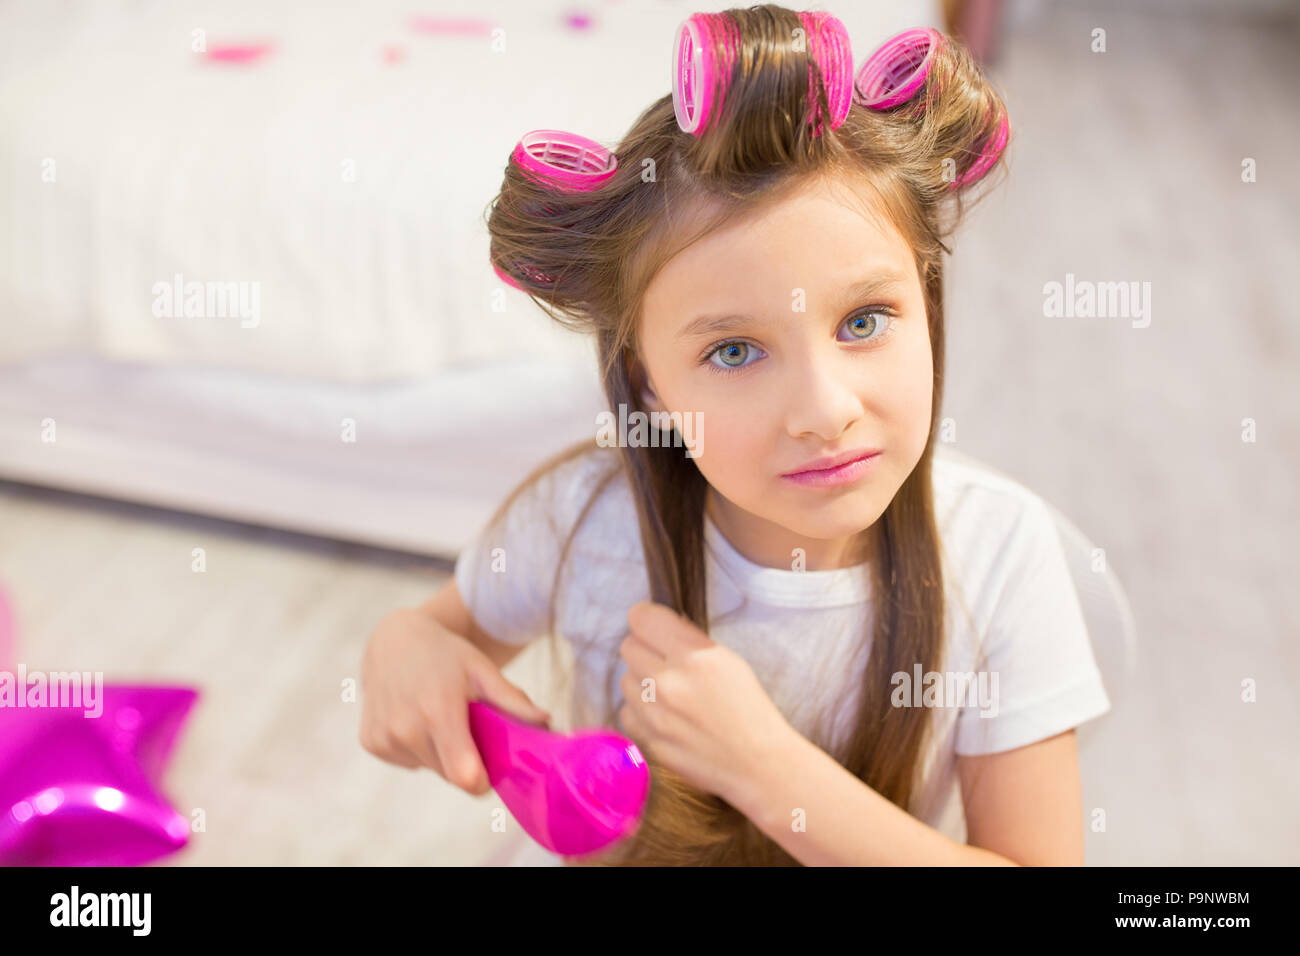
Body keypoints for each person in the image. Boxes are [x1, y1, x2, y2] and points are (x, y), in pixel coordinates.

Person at [361, 5, 1108, 866]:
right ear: (648, 380)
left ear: (927, 299)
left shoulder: (1001, 556)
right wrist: (401, 643)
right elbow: (438, 633)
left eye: (865, 321)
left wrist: (765, 768)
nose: (824, 411)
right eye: (736, 350)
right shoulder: (582, 520)